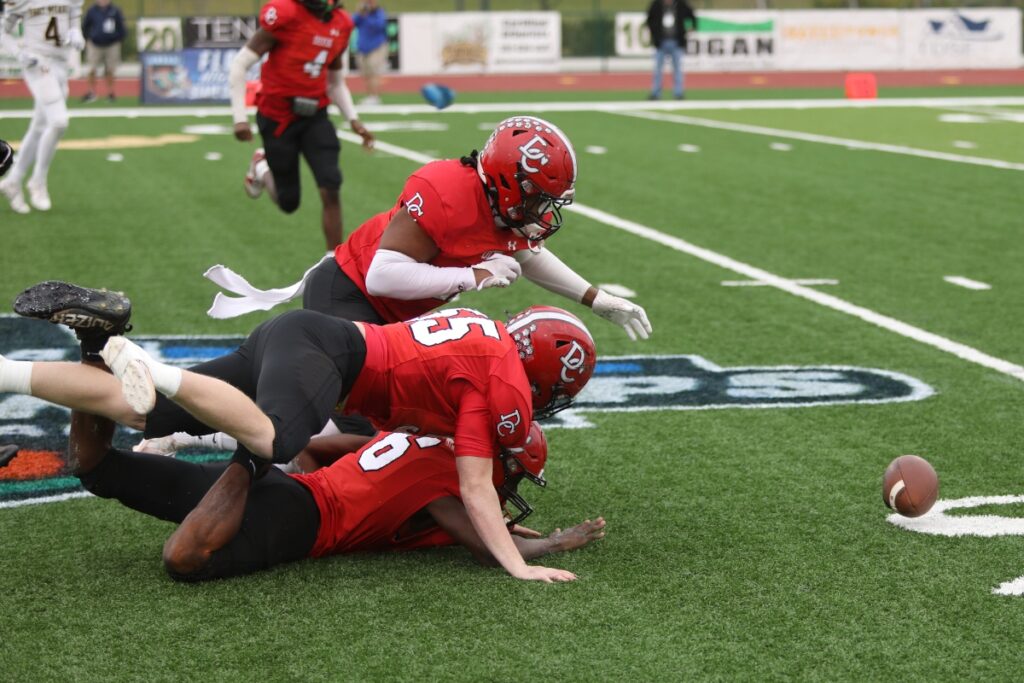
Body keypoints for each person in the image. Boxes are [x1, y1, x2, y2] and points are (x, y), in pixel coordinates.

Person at [7, 280, 598, 582]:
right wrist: (528, 557)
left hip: (301, 341)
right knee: (267, 444)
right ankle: (156, 370)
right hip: (325, 365)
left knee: (130, 419)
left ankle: (78, 349)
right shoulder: (492, 395)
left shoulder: (479, 338)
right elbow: (471, 497)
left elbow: (355, 443)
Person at [205, 115, 654, 342]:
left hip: (397, 316)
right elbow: (382, 275)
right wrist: (472, 276)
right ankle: (200, 436)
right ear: (507, 183)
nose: (543, 210)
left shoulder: (501, 206)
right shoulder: (446, 191)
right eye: (537, 196)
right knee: (346, 435)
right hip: (349, 293)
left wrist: (595, 299)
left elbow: (527, 254)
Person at [228, 0, 375, 251]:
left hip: (315, 116)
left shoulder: (341, 24)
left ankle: (333, 262)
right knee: (289, 202)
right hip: (278, 117)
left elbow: (335, 82)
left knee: (331, 186)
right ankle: (262, 168)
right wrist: (239, 118)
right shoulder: (285, 15)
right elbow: (239, 65)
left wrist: (354, 119)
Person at [0, 0, 84, 214]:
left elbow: (74, 11)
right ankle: (38, 181)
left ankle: (13, 180)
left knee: (39, 126)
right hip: (38, 62)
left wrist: (76, 30)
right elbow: (3, 29)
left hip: (61, 64)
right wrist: (19, 53)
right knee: (59, 121)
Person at [646, 0, 696, 101]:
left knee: (677, 68)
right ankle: (656, 93)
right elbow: (649, 19)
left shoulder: (681, 4)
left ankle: (678, 93)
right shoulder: (656, 4)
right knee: (658, 69)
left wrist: (691, 27)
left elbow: (691, 15)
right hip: (661, 42)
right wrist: (654, 34)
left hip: (676, 42)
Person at [81, 0, 126, 103]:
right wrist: (89, 37)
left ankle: (111, 93)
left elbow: (121, 28)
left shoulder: (115, 10)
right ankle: (91, 92)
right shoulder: (92, 10)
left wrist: (116, 38)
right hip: (95, 44)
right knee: (92, 69)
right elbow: (85, 26)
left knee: (110, 70)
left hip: (112, 45)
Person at [353, 0, 387, 105]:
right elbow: (352, 22)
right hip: (363, 49)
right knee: (366, 74)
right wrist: (360, 12)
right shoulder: (361, 14)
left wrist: (366, 16)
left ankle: (375, 96)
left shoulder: (379, 13)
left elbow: (379, 26)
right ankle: (369, 95)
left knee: (374, 73)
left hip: (376, 47)